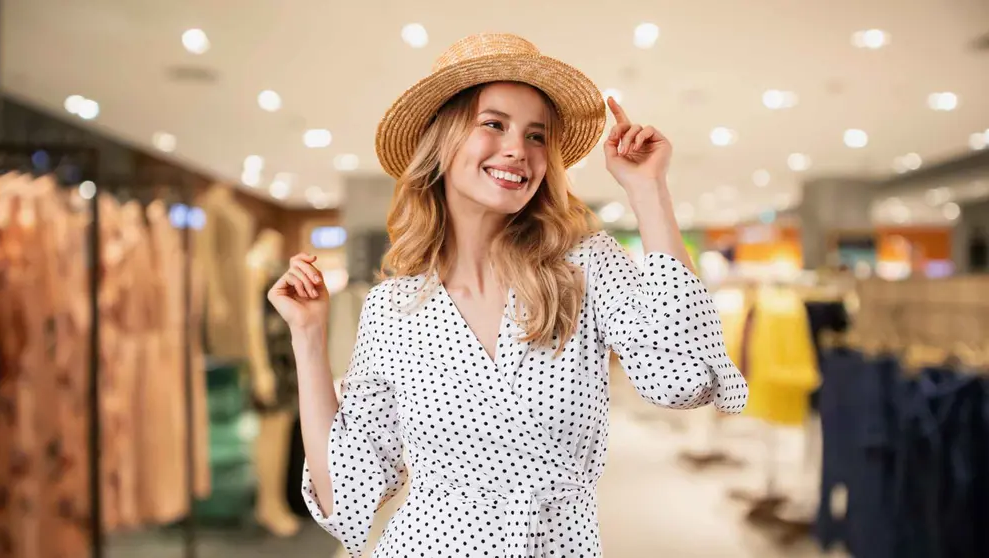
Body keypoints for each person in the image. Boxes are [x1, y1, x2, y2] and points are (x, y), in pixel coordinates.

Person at [267, 32, 748, 558]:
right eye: (493, 124)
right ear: (443, 141)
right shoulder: (393, 309)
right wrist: (308, 336)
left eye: (538, 135)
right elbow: (346, 499)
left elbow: (684, 381)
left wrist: (648, 192)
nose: (519, 149)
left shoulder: (584, 268)